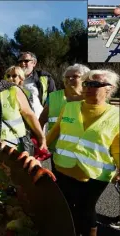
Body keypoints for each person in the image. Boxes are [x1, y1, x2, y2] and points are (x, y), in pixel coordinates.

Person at [46, 69, 120, 236]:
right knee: (64, 207)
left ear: (109, 88)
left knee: (85, 211)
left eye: (95, 84)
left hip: (94, 175)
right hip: (63, 168)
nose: (88, 87)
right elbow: (53, 133)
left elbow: (117, 147)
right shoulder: (69, 107)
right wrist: (39, 152)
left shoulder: (116, 116)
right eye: (86, 83)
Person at [39, 64, 90, 131]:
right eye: (67, 77)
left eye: (75, 76)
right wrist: (40, 139)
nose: (70, 79)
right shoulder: (54, 97)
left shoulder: (92, 98)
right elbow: (41, 120)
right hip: (53, 141)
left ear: (85, 80)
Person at [18, 51, 56, 118]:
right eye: (20, 61)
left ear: (34, 63)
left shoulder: (46, 79)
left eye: (26, 61)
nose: (22, 63)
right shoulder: (11, 78)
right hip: (19, 121)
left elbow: (53, 101)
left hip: (39, 120)